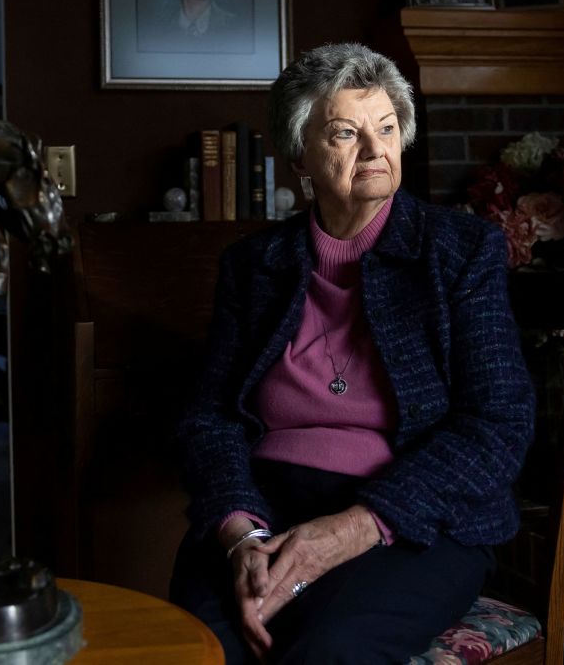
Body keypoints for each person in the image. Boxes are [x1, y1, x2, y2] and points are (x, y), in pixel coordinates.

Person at [170, 43, 535, 664]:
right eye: (345, 132)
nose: (374, 150)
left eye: (387, 128)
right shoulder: (254, 266)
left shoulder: (458, 252)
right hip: (265, 508)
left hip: (412, 520)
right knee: (198, 650)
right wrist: (241, 533)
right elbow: (211, 417)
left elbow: (498, 424)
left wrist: (355, 527)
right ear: (299, 157)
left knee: (330, 651)